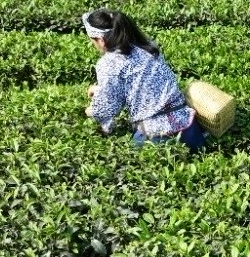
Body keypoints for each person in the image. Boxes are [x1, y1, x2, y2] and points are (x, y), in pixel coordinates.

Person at [82, 8, 205, 151]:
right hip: (190, 130)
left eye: (93, 41)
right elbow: (138, 82)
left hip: (155, 137)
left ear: (101, 41)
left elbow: (105, 109)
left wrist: (90, 111)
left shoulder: (109, 63)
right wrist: (98, 90)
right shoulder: (148, 47)